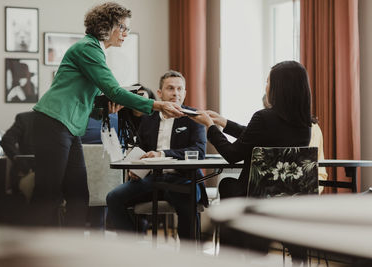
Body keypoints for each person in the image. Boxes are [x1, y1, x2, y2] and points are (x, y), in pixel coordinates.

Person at [31, 2, 183, 227]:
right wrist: (158, 105)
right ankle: (33, 252)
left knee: (78, 195)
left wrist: (104, 108)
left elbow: (85, 100)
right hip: (53, 122)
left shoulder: (95, 51)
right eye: (122, 27)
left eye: (128, 29)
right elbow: (114, 90)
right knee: (48, 194)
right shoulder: (88, 49)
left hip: (68, 127)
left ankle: (70, 253)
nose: (125, 33)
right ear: (106, 26)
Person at [190, 61, 312, 262]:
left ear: (279, 87)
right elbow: (255, 136)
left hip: (255, 199)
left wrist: (211, 127)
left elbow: (231, 154)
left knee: (227, 184)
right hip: (288, 202)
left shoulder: (264, 118)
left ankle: (232, 254)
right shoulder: (304, 124)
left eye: (268, 81)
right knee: (231, 186)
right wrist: (223, 122)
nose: (266, 86)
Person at [106, 70, 207, 239]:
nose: (176, 93)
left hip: (184, 179)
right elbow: (141, 147)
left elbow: (199, 151)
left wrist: (162, 154)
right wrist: (136, 167)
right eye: (170, 88)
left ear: (185, 92)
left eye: (180, 89)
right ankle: (131, 248)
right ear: (159, 93)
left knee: (188, 202)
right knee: (113, 198)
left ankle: (188, 257)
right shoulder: (149, 117)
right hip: (152, 179)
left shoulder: (194, 117)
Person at [1, 111, 36, 199]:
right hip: (26, 172)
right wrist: (25, 166)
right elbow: (7, 141)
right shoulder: (25, 119)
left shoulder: (65, 121)